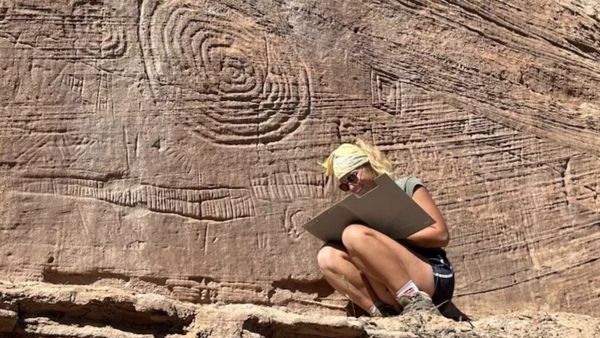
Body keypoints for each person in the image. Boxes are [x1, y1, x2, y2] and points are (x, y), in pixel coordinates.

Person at [317, 139, 454, 317]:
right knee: (327, 255)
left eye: (352, 177)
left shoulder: (406, 186)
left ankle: (416, 301)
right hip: (389, 289)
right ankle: (382, 313)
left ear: (370, 167)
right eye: (344, 185)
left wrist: (389, 234)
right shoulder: (358, 209)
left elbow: (441, 235)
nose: (351, 187)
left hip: (433, 278)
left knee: (353, 234)